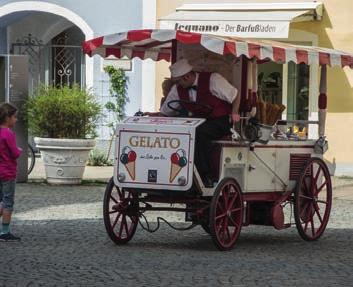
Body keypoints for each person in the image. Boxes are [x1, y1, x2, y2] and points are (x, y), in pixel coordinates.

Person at [145, 59, 240, 187]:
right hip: (196, 122)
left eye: (179, 81)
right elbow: (166, 112)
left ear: (187, 76)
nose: (178, 85)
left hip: (220, 121)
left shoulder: (213, 79)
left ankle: (206, 175)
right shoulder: (177, 89)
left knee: (198, 133)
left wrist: (234, 113)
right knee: (184, 132)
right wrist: (153, 118)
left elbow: (235, 95)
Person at [0, 103, 22, 241]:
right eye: (14, 117)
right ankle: (5, 232)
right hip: (8, 173)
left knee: (1, 200)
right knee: (8, 202)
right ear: (7, 118)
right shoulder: (8, 134)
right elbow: (14, 153)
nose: (16, 120)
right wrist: (19, 150)